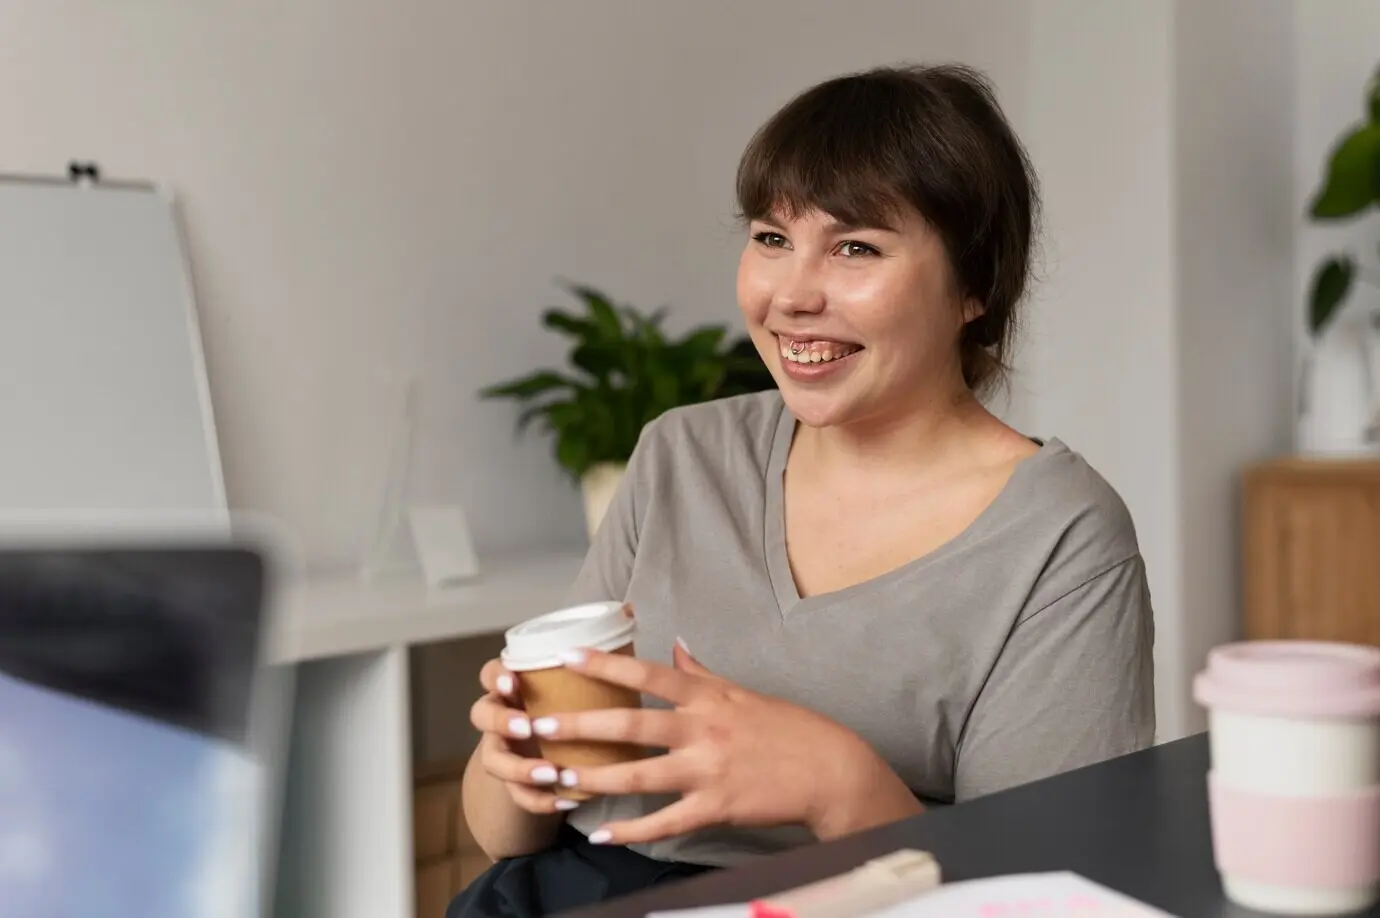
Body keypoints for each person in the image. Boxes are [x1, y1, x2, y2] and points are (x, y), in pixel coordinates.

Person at [450, 62, 1156, 917]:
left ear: (975, 285)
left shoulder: (1061, 538)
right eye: (771, 238)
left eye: (856, 247)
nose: (791, 296)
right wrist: (516, 762)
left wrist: (838, 785)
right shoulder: (681, 454)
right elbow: (504, 836)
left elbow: (1046, 901)